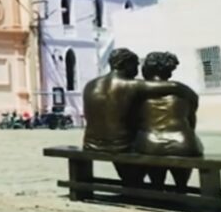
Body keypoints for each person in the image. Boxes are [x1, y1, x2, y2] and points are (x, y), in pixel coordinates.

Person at [82, 48, 198, 186]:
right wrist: (189, 93)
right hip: (118, 147)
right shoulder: (131, 85)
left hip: (90, 144)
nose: (137, 70)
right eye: (135, 64)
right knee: (145, 147)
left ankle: (140, 185)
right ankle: (149, 188)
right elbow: (171, 86)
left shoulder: (90, 85)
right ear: (125, 64)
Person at [134, 52, 203, 191]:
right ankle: (181, 187)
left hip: (150, 143)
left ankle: (157, 187)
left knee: (151, 158)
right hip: (183, 142)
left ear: (146, 69)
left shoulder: (136, 91)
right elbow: (191, 121)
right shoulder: (186, 92)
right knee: (189, 145)